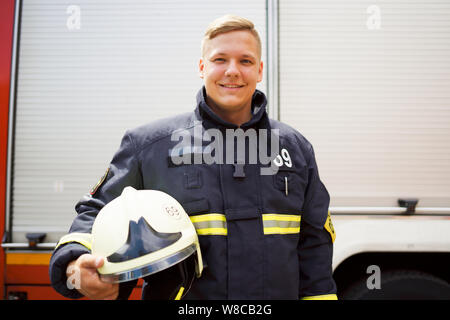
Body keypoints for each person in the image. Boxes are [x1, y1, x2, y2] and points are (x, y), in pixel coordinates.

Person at [49, 14, 337, 300]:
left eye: (245, 61)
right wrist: (76, 265)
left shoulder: (295, 150)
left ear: (260, 70)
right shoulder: (150, 147)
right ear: (202, 67)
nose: (232, 71)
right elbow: (95, 213)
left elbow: (315, 249)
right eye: (220, 59)